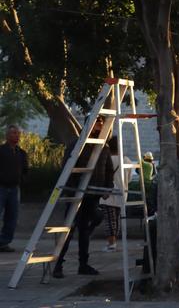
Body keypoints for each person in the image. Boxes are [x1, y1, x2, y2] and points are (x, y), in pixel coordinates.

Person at [53, 116, 114, 278]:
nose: (100, 126)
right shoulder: (77, 144)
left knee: (86, 229)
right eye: (97, 123)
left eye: (101, 123)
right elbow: (67, 166)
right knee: (69, 230)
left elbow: (108, 169)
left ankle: (83, 264)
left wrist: (107, 187)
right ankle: (58, 265)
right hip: (77, 194)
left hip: (93, 194)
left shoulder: (104, 146)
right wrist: (73, 190)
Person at [100, 136, 131, 252]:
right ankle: (114, 242)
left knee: (109, 219)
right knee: (117, 219)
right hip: (122, 194)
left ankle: (111, 243)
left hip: (108, 194)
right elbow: (129, 179)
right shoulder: (126, 160)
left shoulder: (106, 160)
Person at [0, 125, 28, 252]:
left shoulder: (21, 153)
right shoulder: (1, 150)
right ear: (7, 135)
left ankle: (4, 242)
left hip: (14, 188)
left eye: (18, 133)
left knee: (12, 216)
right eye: (13, 133)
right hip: (1, 187)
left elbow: (25, 170)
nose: (16, 136)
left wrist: (21, 180)